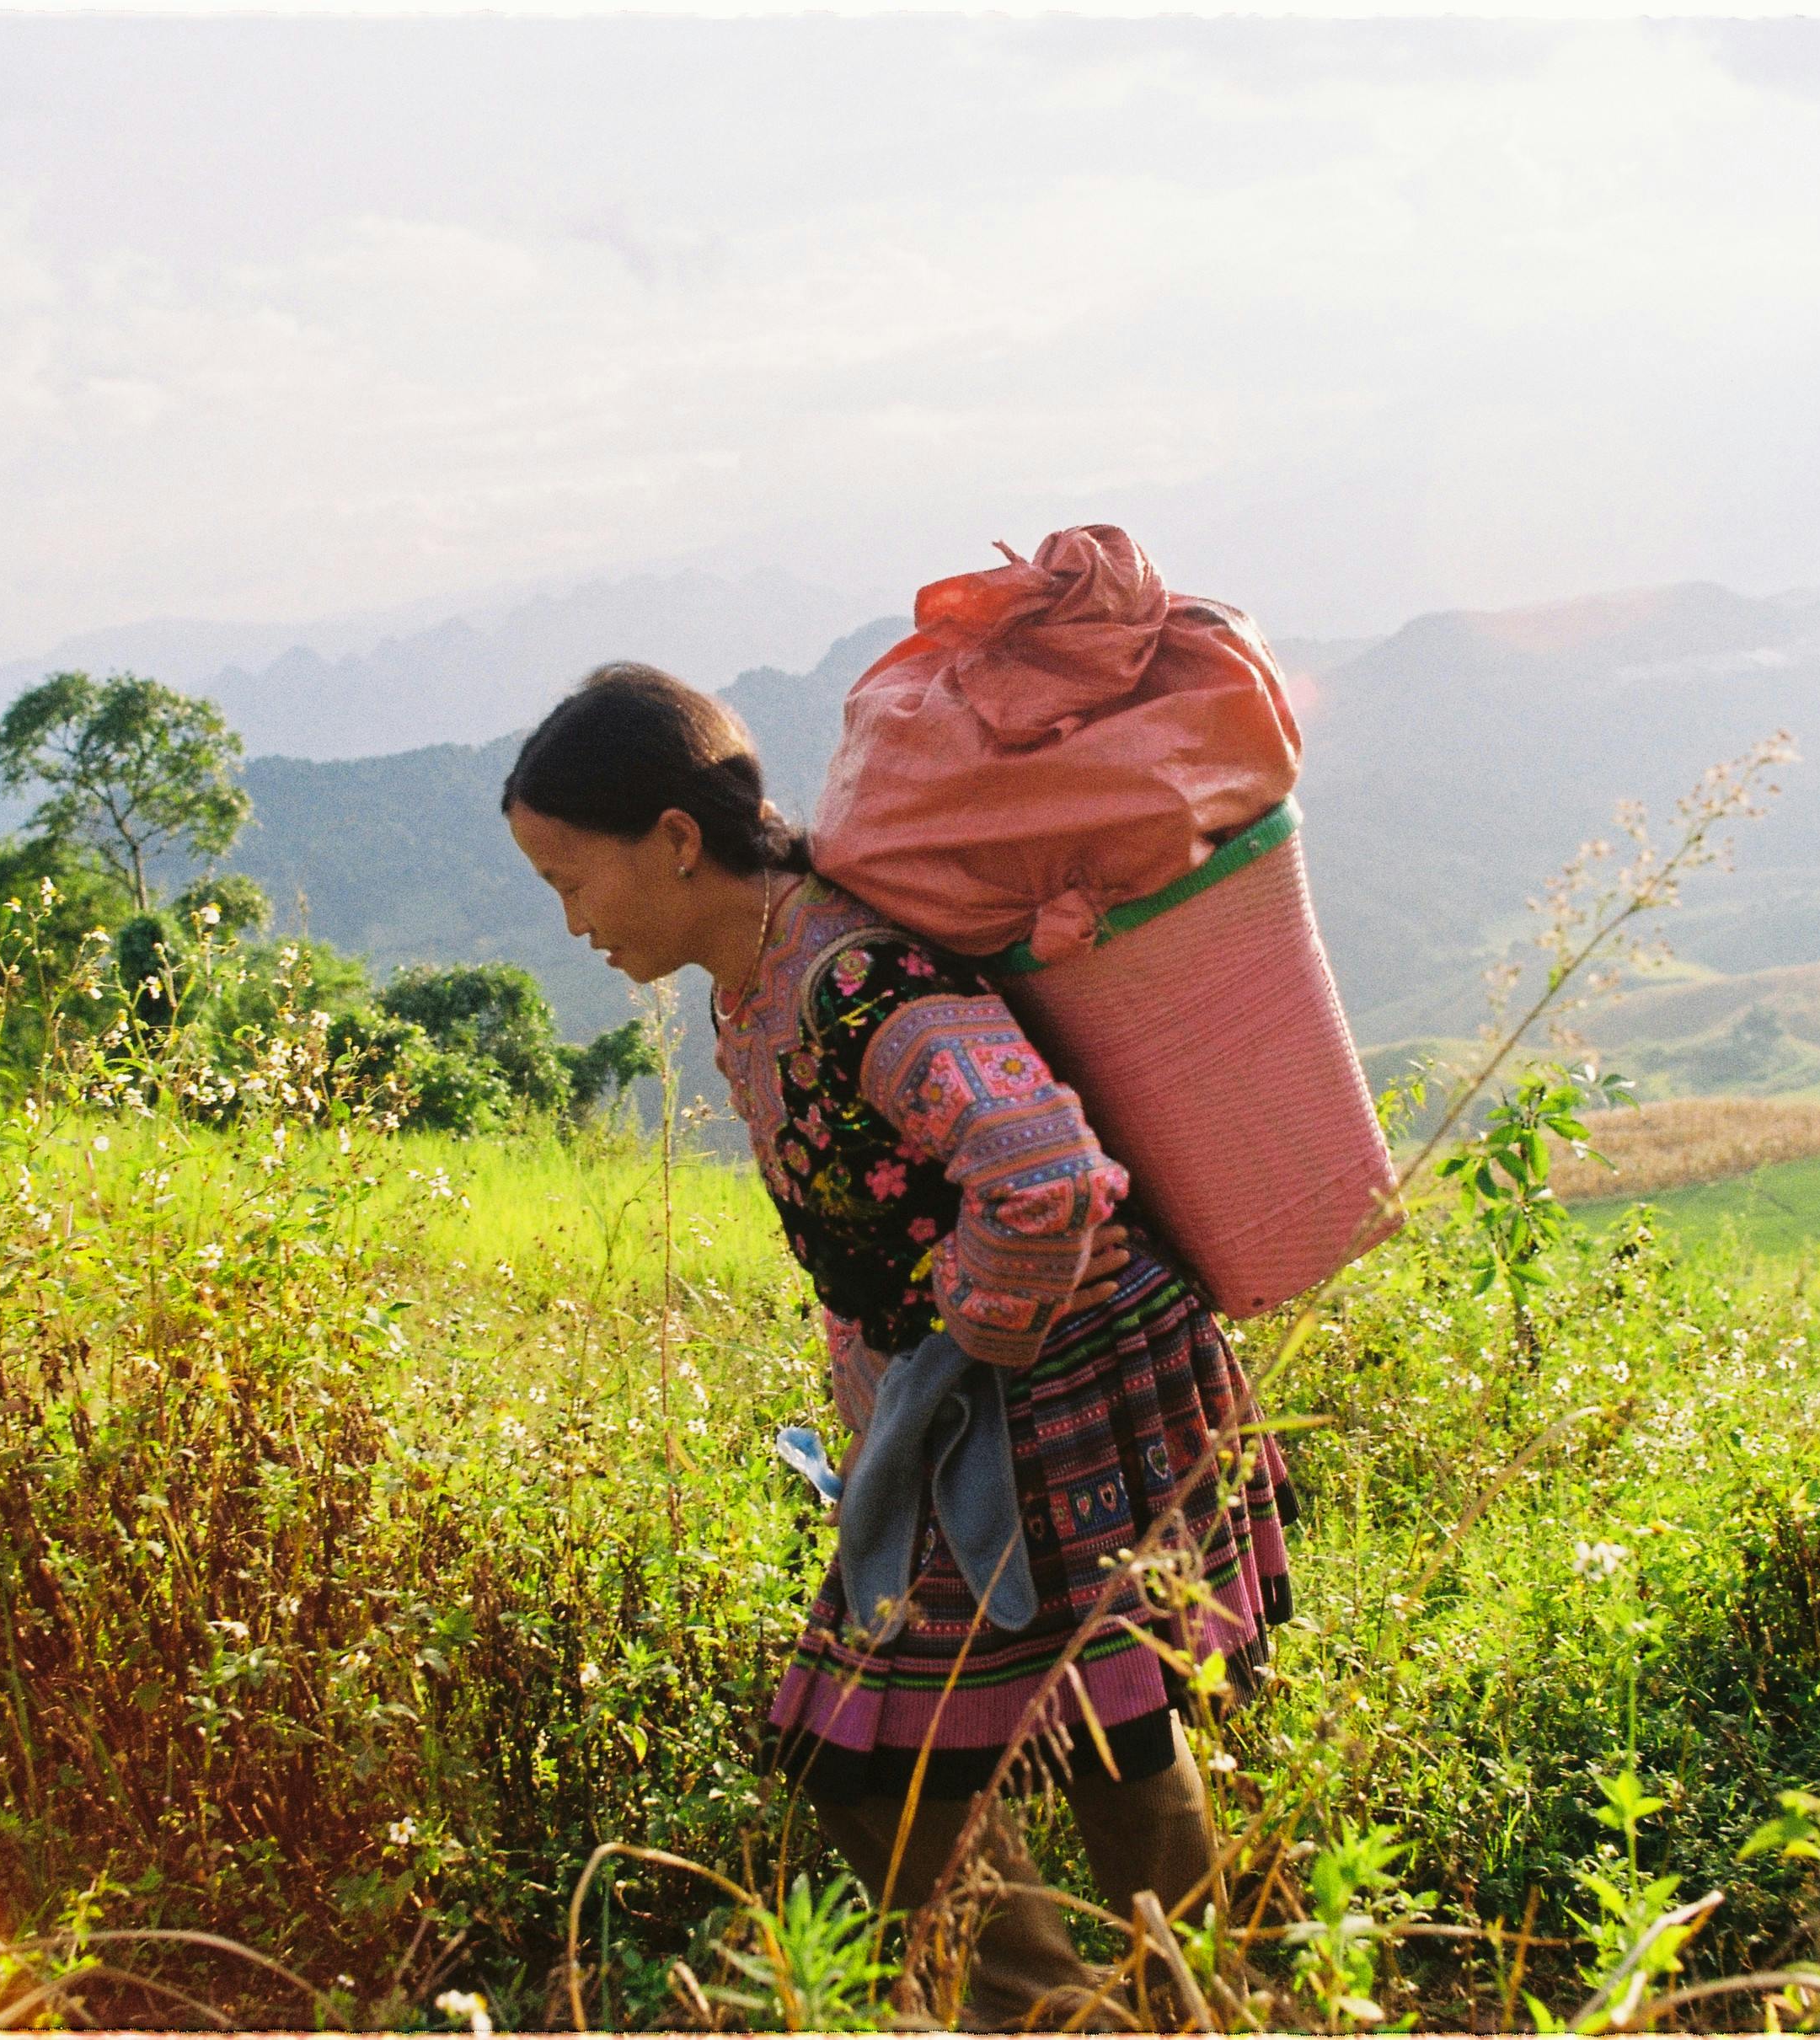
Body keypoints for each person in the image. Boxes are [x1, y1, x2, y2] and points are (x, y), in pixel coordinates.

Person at [502, 662, 1301, 2032]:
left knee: (893, 1762)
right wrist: (889, 1400)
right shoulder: (754, 984)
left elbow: (1043, 1171)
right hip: (1005, 1398)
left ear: (676, 840)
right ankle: (1181, 2011)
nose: (570, 921)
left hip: (1065, 1390)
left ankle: (1090, 2017)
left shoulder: (856, 980)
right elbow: (869, 1238)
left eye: (573, 878)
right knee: (1094, 1723)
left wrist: (962, 1334)